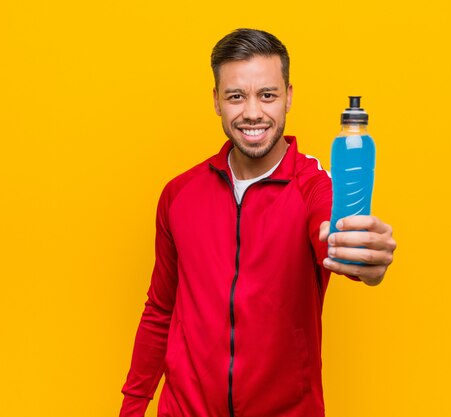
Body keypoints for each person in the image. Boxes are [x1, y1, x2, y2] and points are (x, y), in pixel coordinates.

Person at [120, 28, 396, 417]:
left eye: (267, 95)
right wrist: (132, 407)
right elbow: (160, 310)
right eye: (236, 96)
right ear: (217, 101)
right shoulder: (179, 194)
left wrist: (365, 260)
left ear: (289, 98)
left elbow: (336, 236)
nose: (252, 112)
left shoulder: (314, 188)